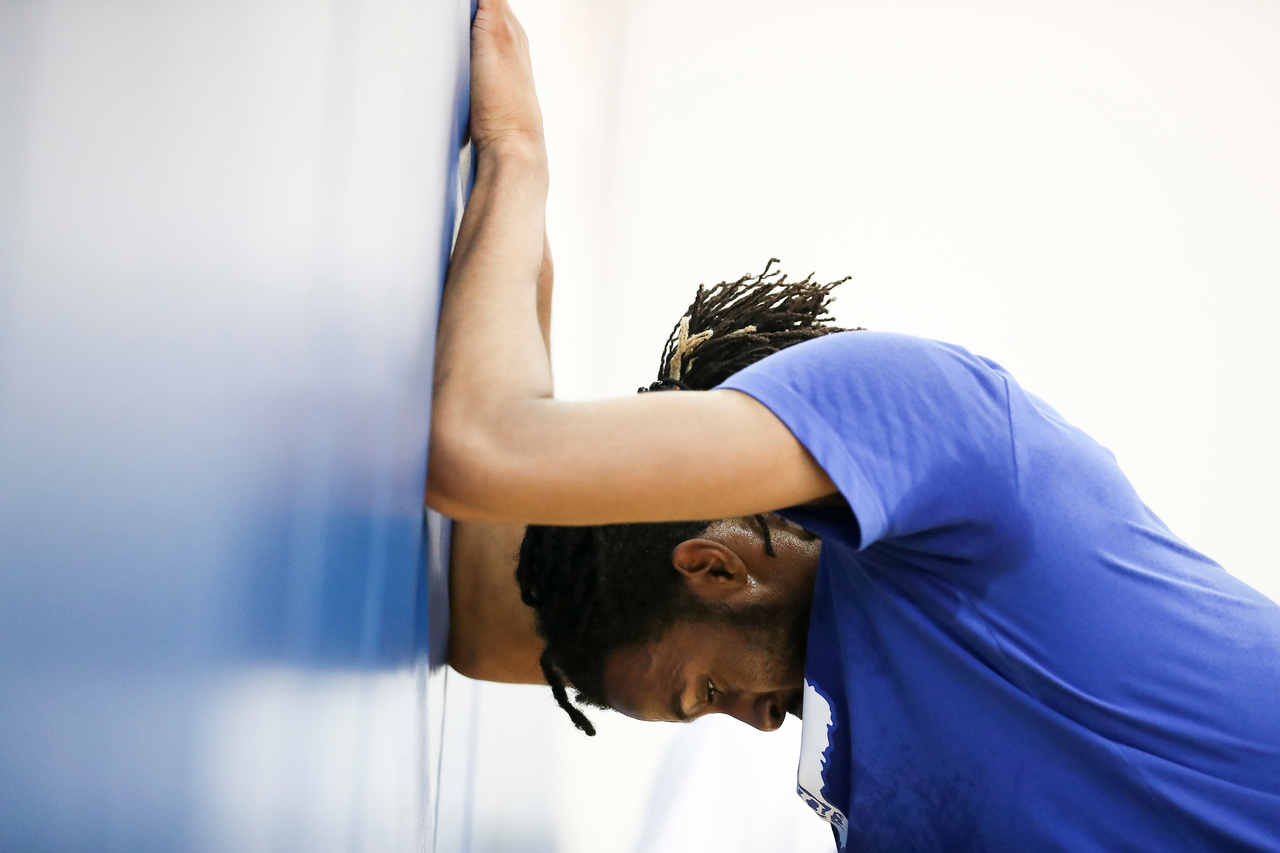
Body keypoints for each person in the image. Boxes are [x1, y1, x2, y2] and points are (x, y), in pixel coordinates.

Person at [432, 1, 1280, 850]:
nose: (758, 724)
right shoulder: (869, 760)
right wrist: (524, 268)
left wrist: (516, 162)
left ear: (715, 568)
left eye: (709, 693)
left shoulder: (952, 435)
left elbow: (480, 450)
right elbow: (485, 620)